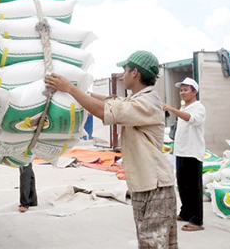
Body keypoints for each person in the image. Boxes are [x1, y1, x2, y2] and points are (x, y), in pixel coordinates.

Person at [45, 50, 177, 248]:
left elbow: (105, 111)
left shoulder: (148, 102)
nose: (123, 75)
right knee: (150, 242)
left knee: (154, 244)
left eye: (125, 70)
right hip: (146, 185)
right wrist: (79, 91)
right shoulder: (139, 98)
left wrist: (71, 89)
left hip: (155, 187)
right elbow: (110, 102)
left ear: (134, 73)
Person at [163, 77, 206, 232]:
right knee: (183, 186)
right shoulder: (185, 107)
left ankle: (197, 221)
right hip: (181, 151)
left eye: (186, 90)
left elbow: (192, 120)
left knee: (194, 188)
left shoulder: (198, 108)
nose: (182, 93)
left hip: (193, 153)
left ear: (194, 92)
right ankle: (186, 213)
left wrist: (172, 109)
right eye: (181, 90)